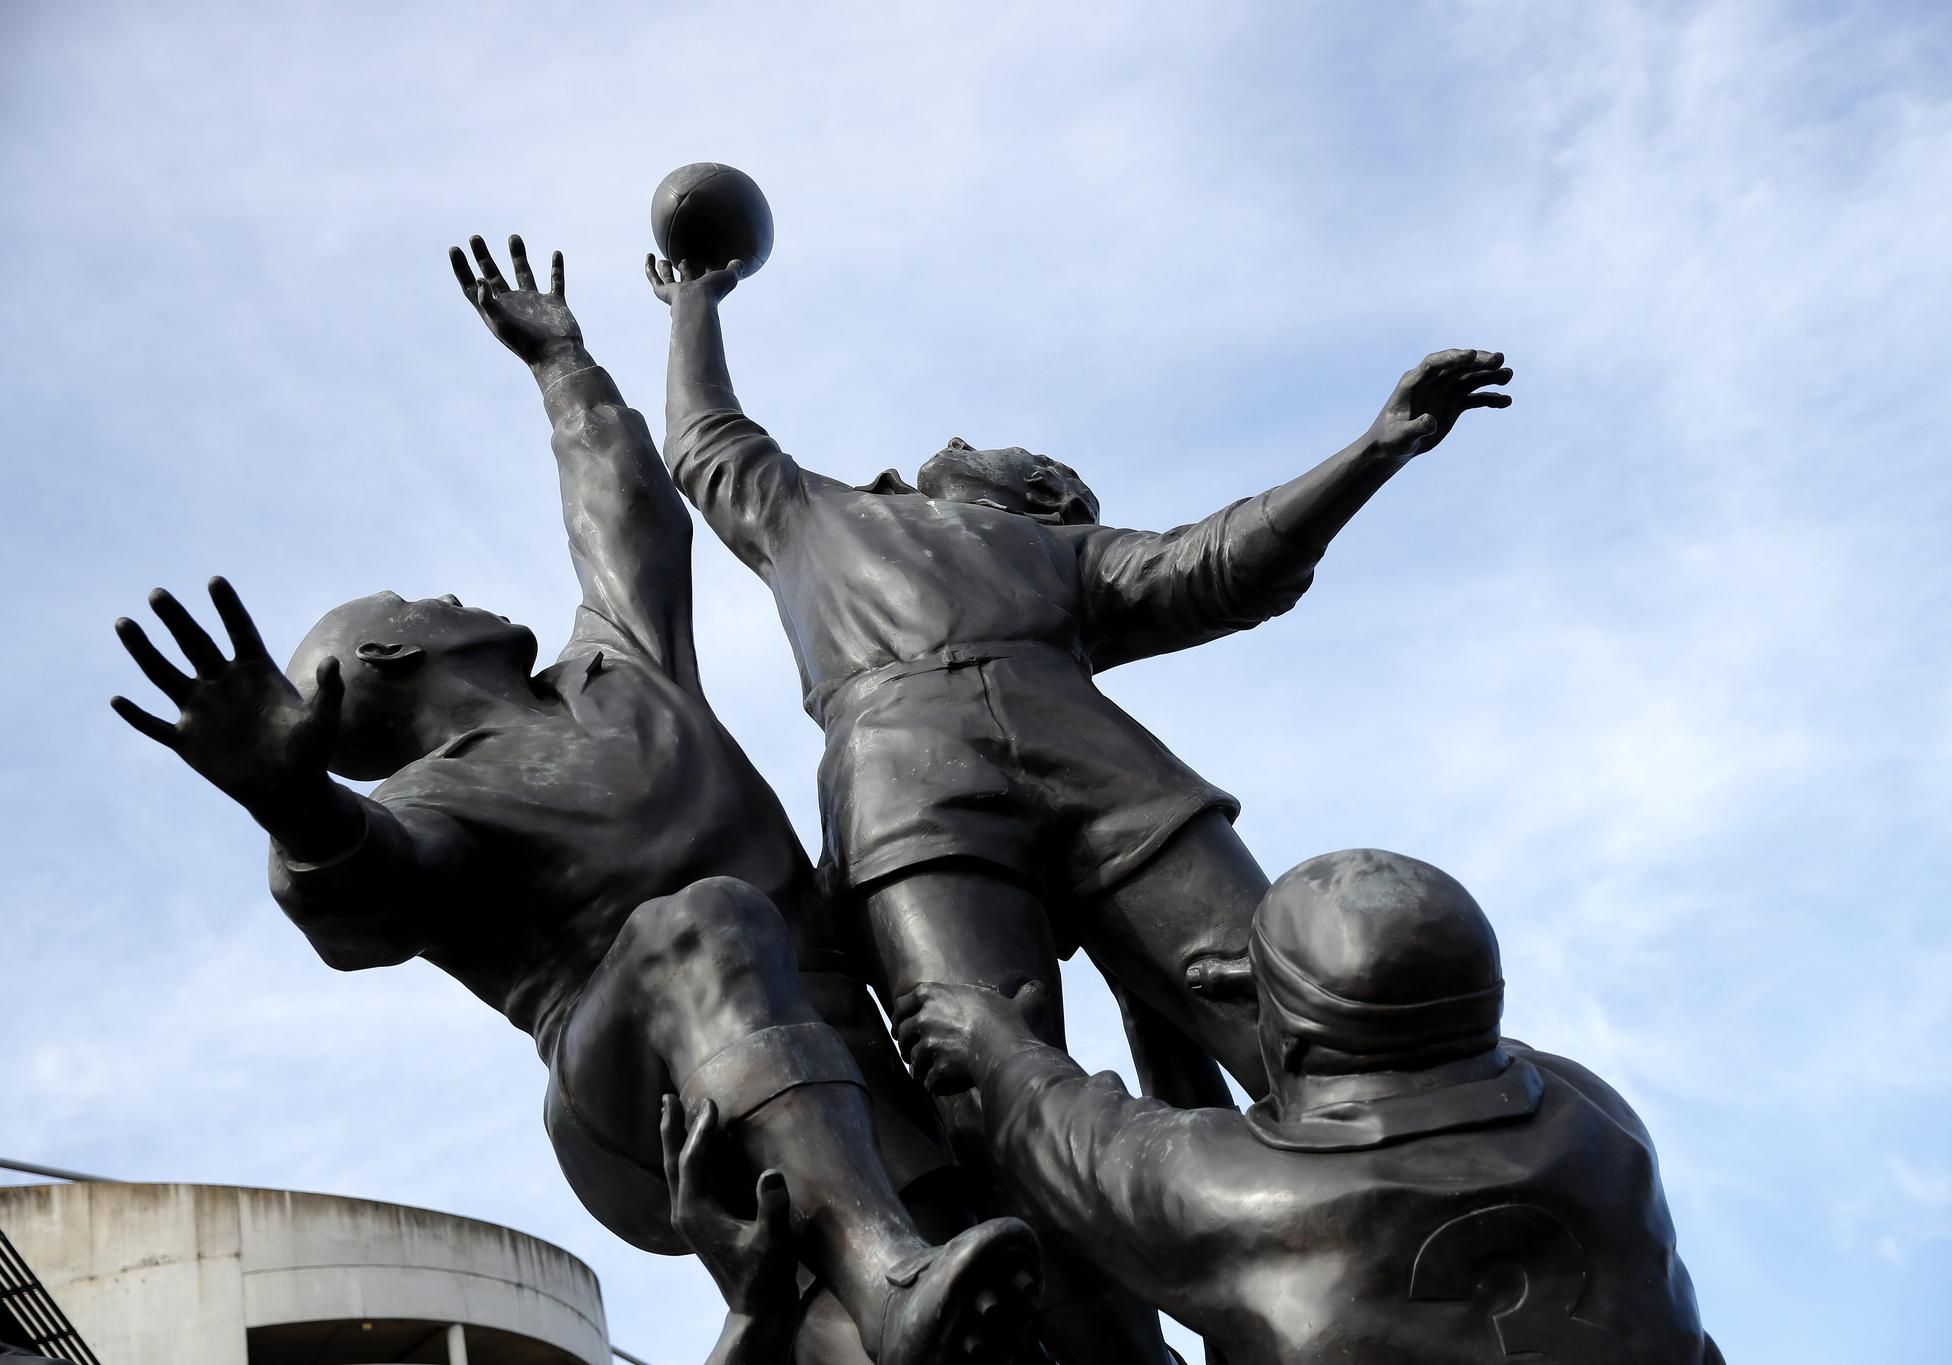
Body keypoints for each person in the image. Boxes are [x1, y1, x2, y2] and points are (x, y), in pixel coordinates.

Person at [109, 237, 1040, 1365]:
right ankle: (885, 1276)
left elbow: (624, 509)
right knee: (702, 923)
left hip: (831, 1054)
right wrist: (290, 804)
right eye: (415, 597)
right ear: (394, 647)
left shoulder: (615, 666)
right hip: (630, 1098)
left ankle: (882, 1289)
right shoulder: (428, 803)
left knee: (1009, 1291)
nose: (447, 591)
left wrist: (564, 365)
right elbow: (365, 898)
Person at [647, 253, 1513, 1109]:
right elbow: (703, 435)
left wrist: (1373, 451)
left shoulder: (1071, 550)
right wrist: (695, 303)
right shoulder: (812, 513)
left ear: (1051, 493)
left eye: (995, 447)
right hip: (907, 795)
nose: (951, 441)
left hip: (1108, 780)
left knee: (1300, 1019)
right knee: (985, 1084)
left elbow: (1219, 561)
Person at [894, 849, 1722, 1365]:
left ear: (1291, 1045)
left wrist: (995, 1041)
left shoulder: (1255, 1196)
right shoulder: (1600, 1124)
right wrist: (1286, 994)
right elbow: (1445, 1022)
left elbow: (1075, 1138)